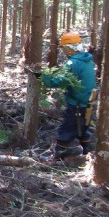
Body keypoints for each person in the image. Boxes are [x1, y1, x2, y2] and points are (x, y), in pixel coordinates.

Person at [39, 32, 97, 161]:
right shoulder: (87, 60)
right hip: (88, 101)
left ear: (69, 48)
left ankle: (58, 155)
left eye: (64, 48)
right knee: (83, 126)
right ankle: (86, 153)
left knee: (67, 128)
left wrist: (43, 77)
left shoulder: (73, 63)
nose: (63, 51)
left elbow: (60, 81)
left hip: (77, 102)